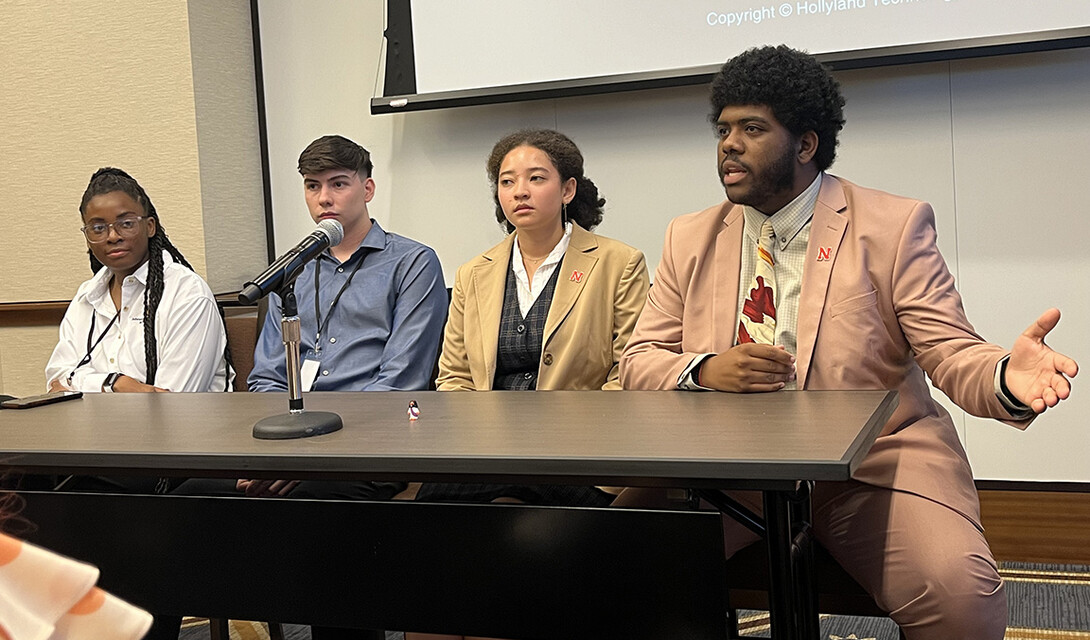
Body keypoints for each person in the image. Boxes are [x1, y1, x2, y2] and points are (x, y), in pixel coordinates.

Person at [616, 45, 1078, 639]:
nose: (728, 143)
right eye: (723, 128)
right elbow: (639, 362)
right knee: (607, 558)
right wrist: (704, 370)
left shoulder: (892, 225)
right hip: (727, 469)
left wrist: (1005, 377)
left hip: (873, 466)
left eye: (752, 129)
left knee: (958, 595)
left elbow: (950, 350)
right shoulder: (690, 236)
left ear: (805, 144)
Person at [406, 129, 648, 640]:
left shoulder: (617, 263)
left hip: (577, 452)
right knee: (436, 550)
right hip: (485, 452)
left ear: (567, 190)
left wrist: (553, 436)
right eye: (507, 181)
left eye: (536, 178)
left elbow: (630, 373)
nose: (519, 191)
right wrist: (480, 439)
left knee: (499, 541)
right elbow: (452, 378)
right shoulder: (475, 272)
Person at [46, 167, 232, 396]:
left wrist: (84, 384)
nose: (113, 236)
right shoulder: (86, 297)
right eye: (98, 228)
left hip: (183, 431)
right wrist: (115, 383)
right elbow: (56, 384)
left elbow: (173, 401)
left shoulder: (187, 294)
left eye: (126, 224)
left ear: (150, 226)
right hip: (93, 430)